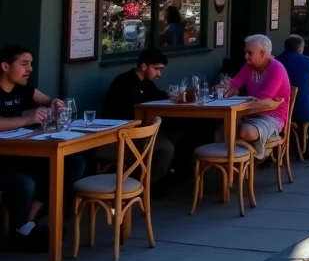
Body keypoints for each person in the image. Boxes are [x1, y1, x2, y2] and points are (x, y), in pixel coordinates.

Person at [0, 46, 80, 250]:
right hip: (3, 159)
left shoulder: (24, 87)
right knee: (25, 183)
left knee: (72, 163)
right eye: (24, 64)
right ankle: (21, 229)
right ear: (5, 66)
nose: (30, 69)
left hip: (22, 151)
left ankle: (29, 221)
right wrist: (26, 118)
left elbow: (46, 100)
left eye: (31, 64)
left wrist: (55, 103)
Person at [100, 47, 186, 181]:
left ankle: (165, 174)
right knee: (166, 147)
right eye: (156, 69)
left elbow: (160, 96)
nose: (159, 74)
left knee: (178, 132)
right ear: (144, 66)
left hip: (141, 131)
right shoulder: (124, 82)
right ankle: (149, 185)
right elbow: (132, 111)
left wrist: (174, 96)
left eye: (161, 69)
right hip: (122, 136)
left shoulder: (147, 83)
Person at [222, 35, 289, 160]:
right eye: (246, 52)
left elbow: (263, 100)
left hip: (273, 116)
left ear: (263, 53)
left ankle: (254, 157)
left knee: (244, 132)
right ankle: (241, 162)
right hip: (250, 113)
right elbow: (235, 82)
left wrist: (239, 112)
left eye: (250, 53)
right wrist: (226, 86)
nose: (246, 56)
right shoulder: (249, 66)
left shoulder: (276, 68)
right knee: (221, 129)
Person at [277, 35, 309, 159]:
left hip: (280, 111)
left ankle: (298, 143)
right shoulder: (306, 60)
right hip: (303, 110)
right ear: (300, 48)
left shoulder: (277, 61)